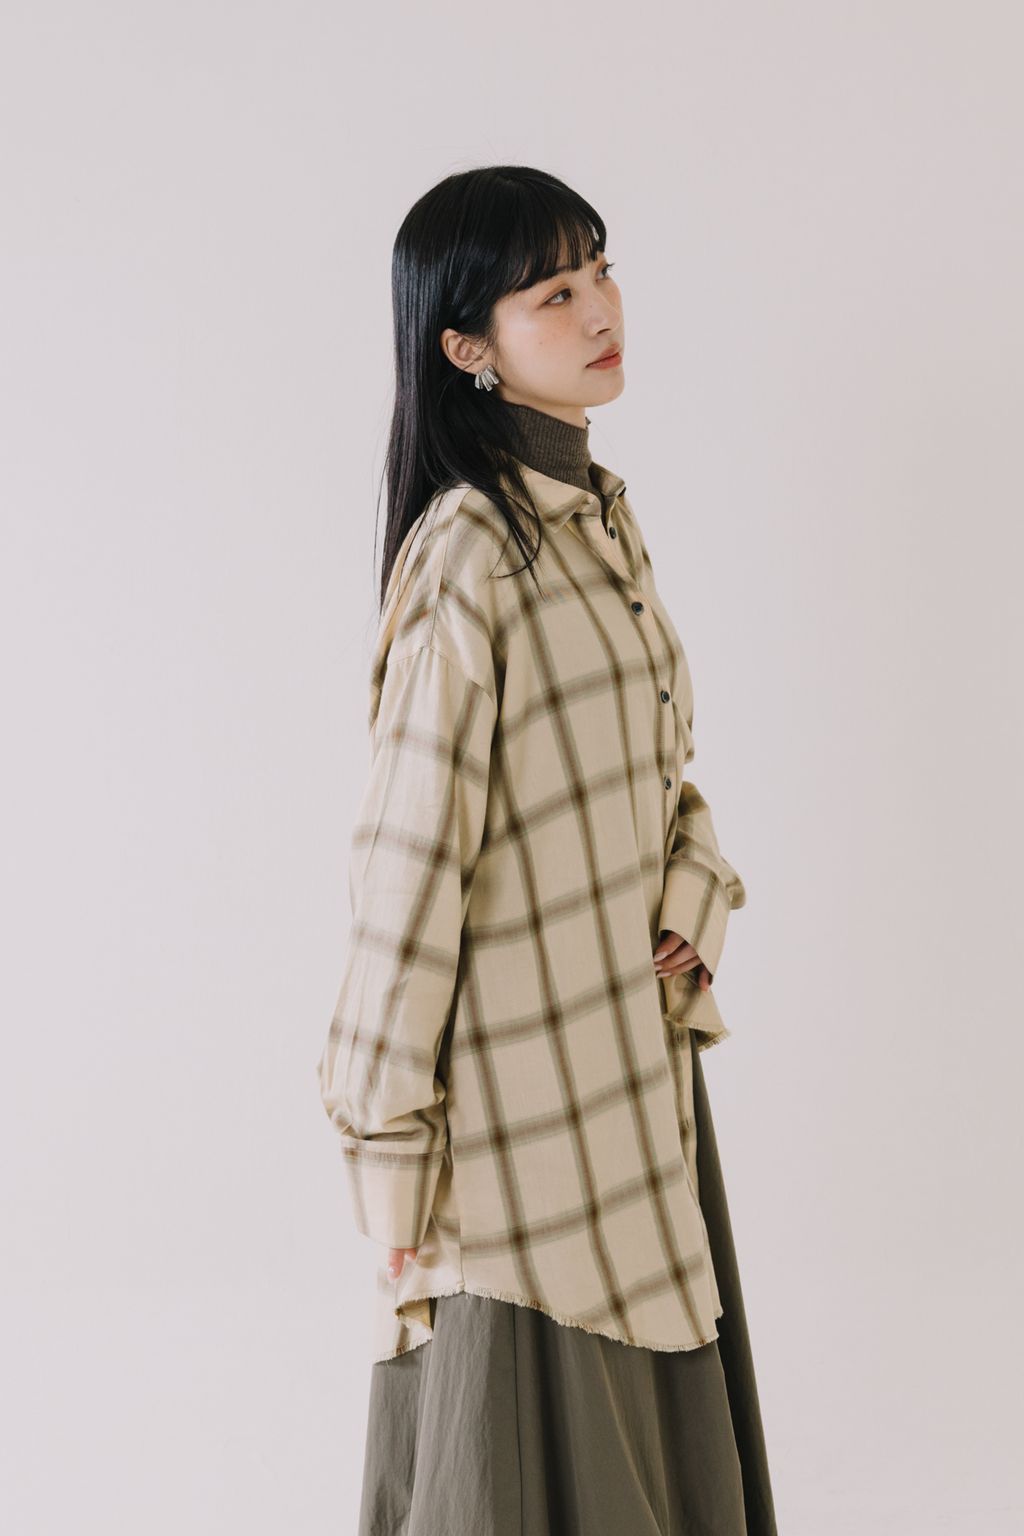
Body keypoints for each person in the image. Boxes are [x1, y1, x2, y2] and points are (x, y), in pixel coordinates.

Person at [316, 164, 778, 1536]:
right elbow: (404, 878)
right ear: (467, 345)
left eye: (601, 271)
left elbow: (662, 779)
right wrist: (387, 1150)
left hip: (630, 1085)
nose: (600, 310)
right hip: (518, 1131)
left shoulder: (600, 525)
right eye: (553, 293)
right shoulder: (470, 557)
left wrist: (691, 899)